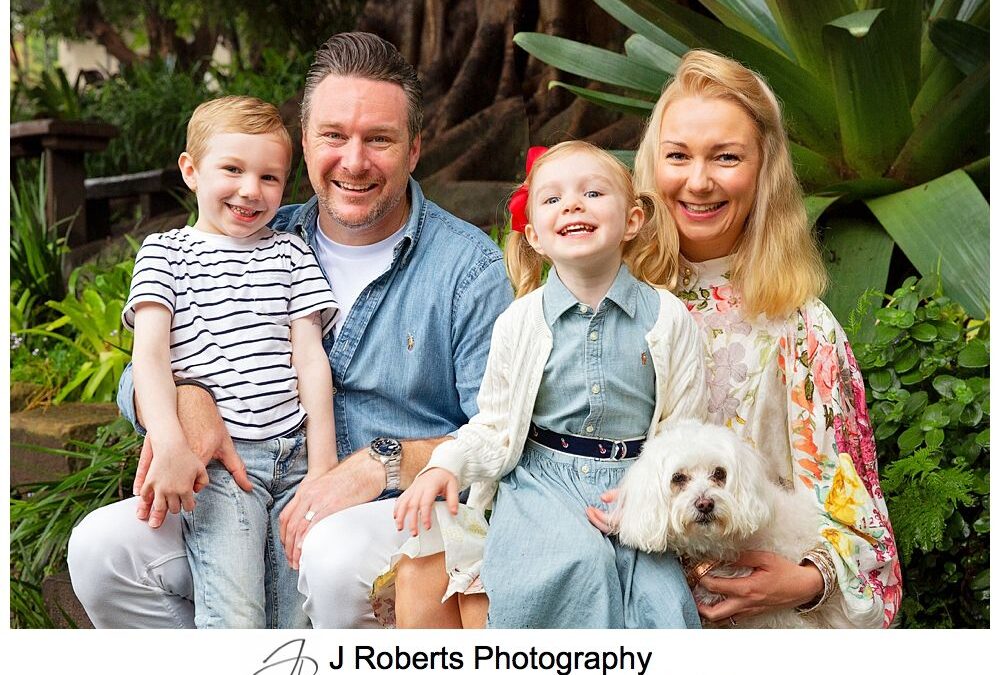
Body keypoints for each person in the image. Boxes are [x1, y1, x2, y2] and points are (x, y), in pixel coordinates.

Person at [66, 32, 514, 629]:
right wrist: (187, 399)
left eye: (378, 139)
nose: (353, 161)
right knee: (103, 550)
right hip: (246, 487)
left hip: (393, 512)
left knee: (329, 555)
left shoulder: (467, 268)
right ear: (305, 142)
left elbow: (502, 435)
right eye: (334, 135)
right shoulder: (259, 236)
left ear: (414, 151)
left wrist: (379, 462)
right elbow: (140, 371)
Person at [590, 49, 902, 628]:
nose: (699, 181)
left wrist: (806, 582)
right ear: (650, 165)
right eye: (678, 156)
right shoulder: (600, 302)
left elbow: (862, 526)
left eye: (726, 157)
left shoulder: (804, 330)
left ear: (765, 170)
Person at [389, 141, 709, 628]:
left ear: (633, 220)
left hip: (635, 486)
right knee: (580, 565)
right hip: (544, 485)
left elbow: (683, 429)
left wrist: (648, 494)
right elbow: (495, 425)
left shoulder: (667, 318)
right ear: (535, 235)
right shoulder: (520, 323)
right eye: (553, 199)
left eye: (593, 192)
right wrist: (446, 464)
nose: (573, 205)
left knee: (660, 604)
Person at [125, 95, 339, 628]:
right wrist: (172, 441)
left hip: (294, 458)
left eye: (270, 177)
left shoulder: (290, 253)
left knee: (296, 614)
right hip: (224, 466)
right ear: (191, 170)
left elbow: (310, 360)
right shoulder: (165, 253)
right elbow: (149, 357)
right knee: (235, 614)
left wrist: (323, 469)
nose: (251, 190)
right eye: (233, 170)